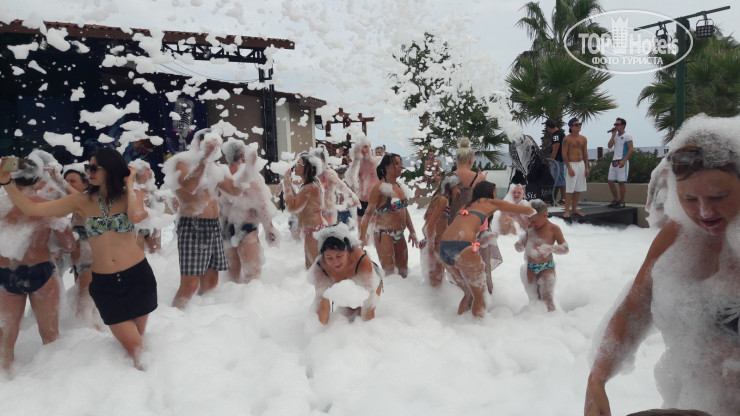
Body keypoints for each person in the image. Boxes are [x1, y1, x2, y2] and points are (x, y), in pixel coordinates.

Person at [584, 115, 740, 416]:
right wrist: (597, 379)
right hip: (695, 399)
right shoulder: (678, 237)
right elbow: (632, 310)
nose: (705, 212)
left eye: (718, 196)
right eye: (689, 198)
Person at [1, 147, 157, 369]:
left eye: (94, 168)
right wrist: (7, 183)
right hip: (105, 282)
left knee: (138, 341)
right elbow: (32, 208)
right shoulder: (83, 201)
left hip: (138, 276)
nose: (89, 172)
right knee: (135, 347)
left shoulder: (132, 195)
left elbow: (135, 216)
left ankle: (143, 384)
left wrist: (129, 183)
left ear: (110, 169)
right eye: (87, 167)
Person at [0, 158, 75, 371]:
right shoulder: (47, 207)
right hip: (41, 271)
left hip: (6, 273)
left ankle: (6, 377)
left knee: (5, 340)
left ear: (11, 178)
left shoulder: (1, 206)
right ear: (37, 178)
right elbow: (69, 244)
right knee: (51, 337)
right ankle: (50, 380)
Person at [163, 128, 243, 309]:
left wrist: (250, 169)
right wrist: (204, 158)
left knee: (211, 282)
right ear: (200, 143)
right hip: (192, 225)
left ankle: (201, 318)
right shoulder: (182, 162)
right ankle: (176, 315)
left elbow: (234, 190)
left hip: (213, 225)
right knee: (190, 284)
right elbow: (190, 186)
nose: (215, 149)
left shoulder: (215, 167)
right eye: (212, 144)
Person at [439, 181, 536, 317]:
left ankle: (460, 325)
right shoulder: (490, 202)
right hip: (463, 245)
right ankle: (478, 326)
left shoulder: (467, 205)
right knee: (480, 295)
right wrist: (535, 209)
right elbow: (526, 210)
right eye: (495, 192)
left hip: (444, 247)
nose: (496, 195)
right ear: (491, 192)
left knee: (469, 294)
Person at [220, 139, 278, 282]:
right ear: (243, 156)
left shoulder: (222, 175)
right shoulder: (250, 176)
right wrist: (270, 228)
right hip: (245, 227)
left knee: (231, 278)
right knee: (253, 277)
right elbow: (262, 205)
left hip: (226, 228)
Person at [308, 224, 383, 324]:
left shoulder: (361, 260)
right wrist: (321, 328)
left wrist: (367, 328)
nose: (335, 262)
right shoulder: (320, 268)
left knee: (361, 314)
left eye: (339, 256)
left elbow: (368, 300)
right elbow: (323, 306)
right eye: (329, 258)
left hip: (370, 281)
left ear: (347, 251)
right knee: (347, 312)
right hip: (344, 289)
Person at [359, 153, 418, 278]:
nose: (400, 166)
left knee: (404, 272)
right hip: (384, 234)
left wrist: (412, 231)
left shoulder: (399, 186)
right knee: (389, 273)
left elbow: (404, 211)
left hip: (400, 233)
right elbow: (368, 213)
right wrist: (362, 237)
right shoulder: (379, 188)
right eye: (396, 163)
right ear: (386, 167)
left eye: (401, 163)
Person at [62, 167, 101, 327]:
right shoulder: (76, 204)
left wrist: (58, 181)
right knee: (84, 292)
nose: (68, 184)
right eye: (66, 181)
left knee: (86, 293)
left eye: (73, 181)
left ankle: (87, 327)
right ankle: (87, 326)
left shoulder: (89, 200)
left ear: (86, 184)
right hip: (80, 258)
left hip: (90, 255)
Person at [514, 199, 568, 312]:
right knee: (534, 299)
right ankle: (536, 319)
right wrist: (520, 244)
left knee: (547, 299)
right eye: (530, 221)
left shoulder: (553, 229)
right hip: (530, 267)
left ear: (544, 215)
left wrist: (551, 248)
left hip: (546, 267)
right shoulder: (530, 227)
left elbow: (565, 248)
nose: (532, 224)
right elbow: (524, 242)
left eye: (534, 221)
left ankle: (552, 319)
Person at [283, 153, 327, 269]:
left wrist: (286, 184)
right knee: (311, 268)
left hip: (314, 232)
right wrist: (289, 185)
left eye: (299, 164)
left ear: (307, 168)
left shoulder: (309, 187)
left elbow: (292, 207)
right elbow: (298, 202)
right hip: (313, 231)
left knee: (314, 269)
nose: (295, 166)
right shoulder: (311, 184)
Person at [420, 174, 461, 287]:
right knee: (436, 283)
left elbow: (428, 220)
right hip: (434, 243)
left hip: (434, 242)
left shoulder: (439, 197)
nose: (459, 191)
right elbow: (430, 224)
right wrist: (430, 247)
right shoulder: (442, 200)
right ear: (451, 186)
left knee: (435, 282)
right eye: (458, 188)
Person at [309, 145, 360, 225]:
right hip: (316, 212)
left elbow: (342, 186)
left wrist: (352, 195)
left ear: (321, 161)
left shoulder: (328, 173)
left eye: (314, 161)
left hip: (328, 213)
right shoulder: (313, 175)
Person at [345, 136, 381, 220]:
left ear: (370, 147)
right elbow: (350, 180)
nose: (364, 149)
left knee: (374, 226)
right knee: (361, 227)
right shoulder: (358, 164)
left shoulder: (378, 160)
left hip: (375, 201)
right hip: (362, 201)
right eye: (361, 147)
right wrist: (356, 159)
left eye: (366, 147)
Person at [562, 117, 589, 218]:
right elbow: (564, 154)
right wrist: (569, 167)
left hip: (581, 164)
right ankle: (566, 211)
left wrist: (586, 167)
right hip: (571, 164)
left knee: (578, 189)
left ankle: (574, 209)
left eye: (580, 124)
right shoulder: (566, 139)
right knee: (570, 189)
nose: (579, 126)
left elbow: (585, 153)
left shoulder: (583, 138)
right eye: (576, 125)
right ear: (571, 127)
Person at [607, 117, 634, 209]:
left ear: (623, 125)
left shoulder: (627, 136)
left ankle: (622, 201)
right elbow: (609, 146)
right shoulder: (615, 136)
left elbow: (631, 149)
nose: (616, 126)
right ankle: (616, 199)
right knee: (610, 182)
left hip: (622, 161)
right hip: (614, 161)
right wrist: (612, 135)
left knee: (621, 182)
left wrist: (624, 160)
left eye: (617, 124)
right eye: (615, 124)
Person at [546, 119, 566, 205]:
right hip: (561, 159)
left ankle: (563, 199)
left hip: (557, 160)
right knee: (557, 179)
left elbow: (555, 148)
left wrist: (551, 161)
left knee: (559, 178)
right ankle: (554, 198)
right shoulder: (561, 133)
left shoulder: (556, 135)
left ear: (548, 127)